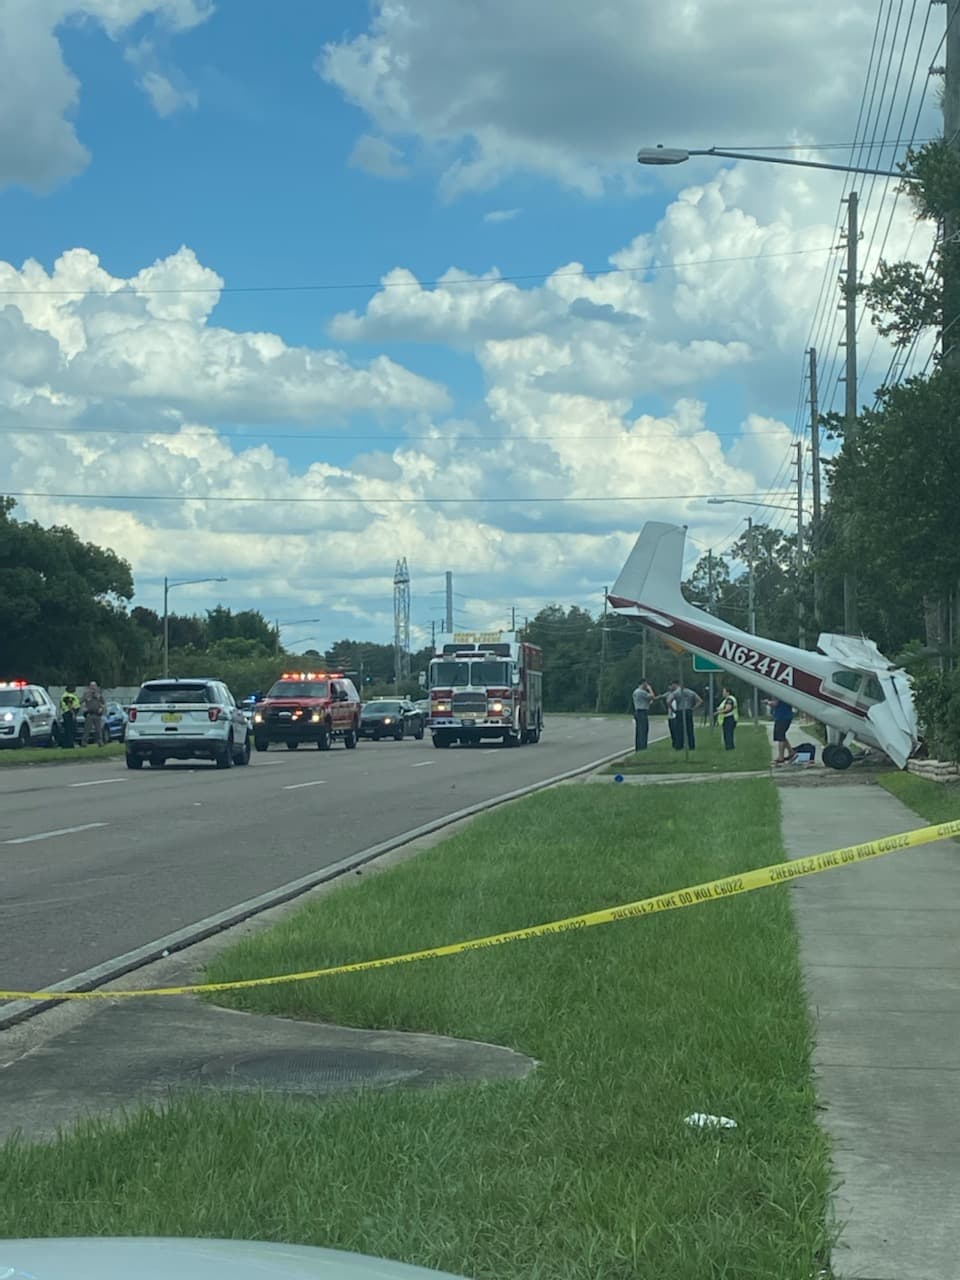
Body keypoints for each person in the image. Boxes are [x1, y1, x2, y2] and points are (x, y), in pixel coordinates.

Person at [667, 681, 702, 750]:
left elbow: (668, 701)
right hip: (688, 710)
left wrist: (673, 709)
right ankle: (691, 746)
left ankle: (679, 746)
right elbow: (700, 700)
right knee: (690, 729)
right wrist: (693, 708)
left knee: (679, 730)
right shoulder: (691, 692)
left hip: (680, 711)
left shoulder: (676, 693)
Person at [767, 696, 796, 764]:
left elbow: (775, 704)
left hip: (782, 717)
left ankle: (781, 757)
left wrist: (767, 702)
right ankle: (791, 752)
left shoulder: (777, 693)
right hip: (785, 716)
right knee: (782, 736)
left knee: (780, 738)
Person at [631, 679, 656, 751]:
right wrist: (650, 689)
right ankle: (642, 747)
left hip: (639, 711)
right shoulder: (641, 692)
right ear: (643, 684)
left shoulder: (636, 692)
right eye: (646, 684)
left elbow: (646, 701)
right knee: (643, 730)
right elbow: (652, 696)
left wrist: (649, 702)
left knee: (639, 730)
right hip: (642, 712)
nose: (647, 685)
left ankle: (639, 747)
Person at [81, 680, 106, 747]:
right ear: (89, 687)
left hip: (97, 714)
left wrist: (101, 709)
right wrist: (84, 708)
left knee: (98, 730)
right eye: (91, 686)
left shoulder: (99, 694)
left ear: (96, 687)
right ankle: (84, 743)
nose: (93, 687)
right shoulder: (86, 694)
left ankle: (100, 742)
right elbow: (81, 702)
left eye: (94, 686)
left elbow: (103, 703)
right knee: (87, 730)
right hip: (89, 714)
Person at [716, 685, 738, 751]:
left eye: (724, 691)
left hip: (729, 718)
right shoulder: (727, 699)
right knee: (727, 734)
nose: (723, 693)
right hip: (728, 718)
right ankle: (729, 747)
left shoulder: (730, 699)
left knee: (728, 734)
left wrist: (718, 712)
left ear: (728, 692)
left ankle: (729, 748)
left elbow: (728, 708)